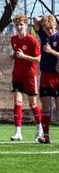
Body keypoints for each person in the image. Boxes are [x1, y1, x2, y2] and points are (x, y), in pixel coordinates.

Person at [8, 14, 42, 141]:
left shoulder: (32, 40)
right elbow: (17, 54)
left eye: (21, 25)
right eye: (17, 25)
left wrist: (24, 56)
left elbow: (38, 59)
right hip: (17, 75)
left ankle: (40, 129)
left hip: (29, 75)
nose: (19, 27)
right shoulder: (13, 39)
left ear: (26, 26)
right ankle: (18, 132)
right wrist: (13, 57)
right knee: (17, 102)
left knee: (33, 103)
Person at [33, 15, 59, 144]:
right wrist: (42, 20)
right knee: (45, 107)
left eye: (50, 28)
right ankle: (46, 136)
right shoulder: (43, 35)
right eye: (46, 28)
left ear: (55, 27)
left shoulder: (58, 37)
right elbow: (35, 20)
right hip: (46, 75)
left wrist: (50, 51)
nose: (48, 31)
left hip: (57, 76)